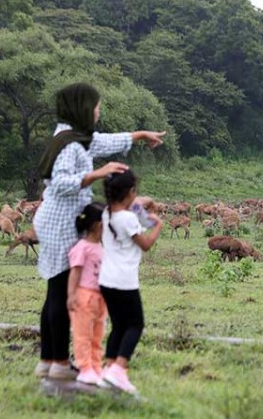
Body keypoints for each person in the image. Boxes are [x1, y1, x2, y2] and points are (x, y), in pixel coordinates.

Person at [33, 82, 165, 380]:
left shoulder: (75, 137)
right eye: (95, 106)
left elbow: (103, 142)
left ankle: (48, 360)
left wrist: (140, 135)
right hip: (58, 220)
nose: (98, 110)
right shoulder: (68, 144)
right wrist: (98, 173)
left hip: (63, 218)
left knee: (55, 290)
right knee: (59, 291)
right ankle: (59, 363)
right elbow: (60, 183)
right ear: (81, 108)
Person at [99, 169, 162, 394]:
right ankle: (120, 368)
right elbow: (145, 244)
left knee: (118, 325)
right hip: (124, 281)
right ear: (130, 192)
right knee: (136, 324)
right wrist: (158, 226)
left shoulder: (106, 213)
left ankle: (108, 368)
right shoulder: (128, 218)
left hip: (106, 280)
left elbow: (138, 202)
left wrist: (145, 201)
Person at [66, 202, 106, 385]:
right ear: (99, 225)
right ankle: (84, 367)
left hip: (100, 299)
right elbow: (75, 272)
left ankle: (96, 366)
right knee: (83, 334)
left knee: (97, 334)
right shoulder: (82, 248)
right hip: (84, 297)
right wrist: (71, 295)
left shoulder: (101, 247)